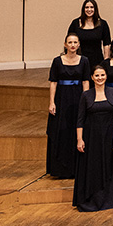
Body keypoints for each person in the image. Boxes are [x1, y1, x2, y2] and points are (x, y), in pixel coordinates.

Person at [73, 64, 113, 212]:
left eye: (102, 75)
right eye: (97, 75)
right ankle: (92, 198)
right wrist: (80, 139)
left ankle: (110, 199)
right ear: (92, 77)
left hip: (109, 136)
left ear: (106, 76)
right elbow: (80, 119)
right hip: (91, 137)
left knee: (109, 165)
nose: (100, 78)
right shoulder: (86, 95)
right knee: (93, 167)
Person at [47, 34, 90, 179]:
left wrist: (86, 101)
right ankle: (60, 168)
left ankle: (77, 168)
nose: (72, 45)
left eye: (75, 42)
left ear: (79, 45)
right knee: (62, 131)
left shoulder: (84, 61)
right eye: (70, 42)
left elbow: (85, 81)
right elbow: (53, 82)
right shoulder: (57, 61)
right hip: (61, 98)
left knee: (76, 130)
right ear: (65, 44)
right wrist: (52, 102)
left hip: (78, 97)